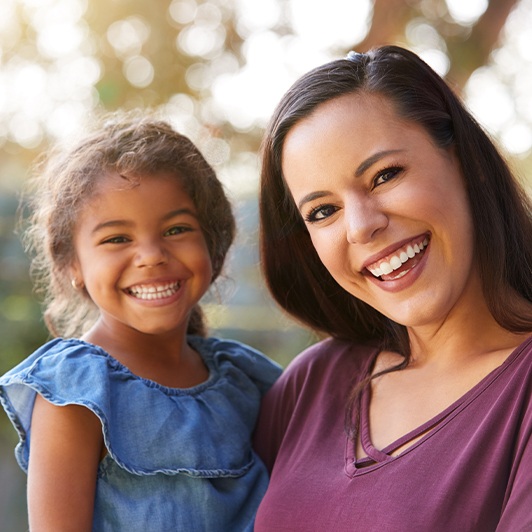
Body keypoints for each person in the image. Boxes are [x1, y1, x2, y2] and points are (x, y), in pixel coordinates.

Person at [253, 45, 532, 531]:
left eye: (385, 175)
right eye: (322, 211)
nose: (360, 227)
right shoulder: (312, 383)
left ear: (468, 165)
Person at [0, 113, 282, 531]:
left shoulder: (247, 379)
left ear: (214, 246)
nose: (151, 255)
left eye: (177, 229)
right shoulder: (75, 395)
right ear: (72, 264)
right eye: (117, 238)